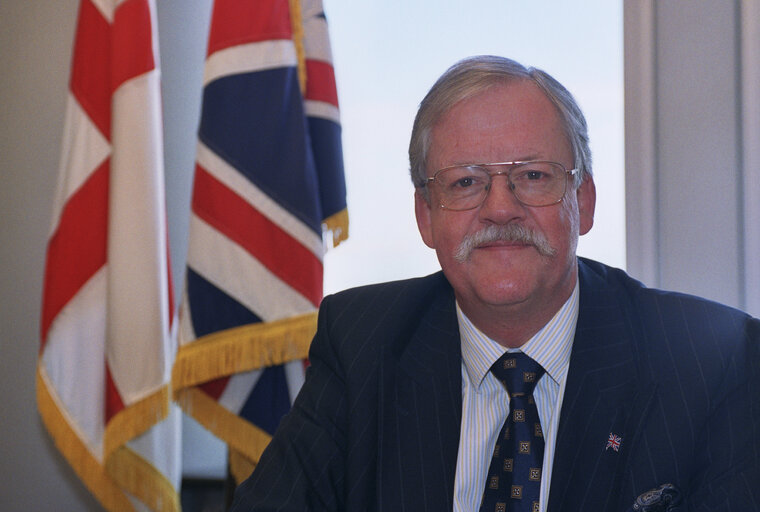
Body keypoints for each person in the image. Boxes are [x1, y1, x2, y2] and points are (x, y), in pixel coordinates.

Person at [230, 56, 760, 511]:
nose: (501, 207)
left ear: (585, 202)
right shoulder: (362, 345)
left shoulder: (715, 363)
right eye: (465, 182)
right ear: (426, 216)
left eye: (533, 175)